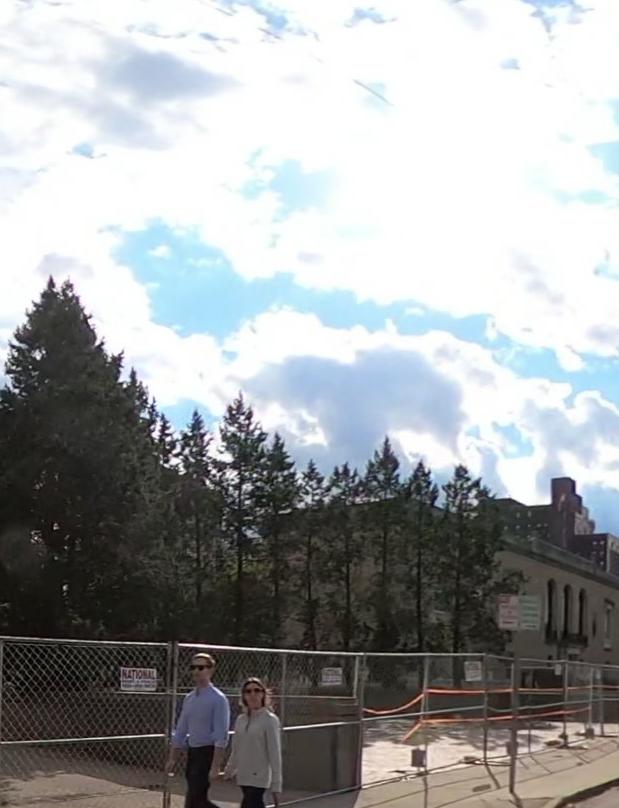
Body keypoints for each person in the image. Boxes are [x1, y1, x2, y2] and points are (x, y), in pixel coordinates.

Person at [166, 652, 231, 808]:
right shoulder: (189, 698)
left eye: (201, 667)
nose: (196, 671)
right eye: (193, 667)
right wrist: (173, 758)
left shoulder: (218, 699)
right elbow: (181, 729)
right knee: (195, 798)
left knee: (195, 798)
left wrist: (216, 765)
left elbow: (221, 735)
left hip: (207, 752)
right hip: (193, 752)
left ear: (211, 670)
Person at [224, 677, 282, 808]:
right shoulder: (241, 720)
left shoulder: (269, 720)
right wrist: (229, 770)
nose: (253, 695)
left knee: (252, 802)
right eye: (248, 691)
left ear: (263, 694)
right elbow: (236, 749)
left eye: (257, 690)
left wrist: (276, 785)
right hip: (243, 775)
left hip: (259, 776)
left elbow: (274, 754)